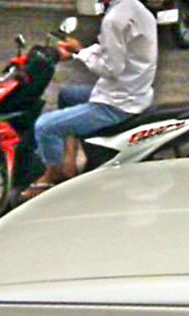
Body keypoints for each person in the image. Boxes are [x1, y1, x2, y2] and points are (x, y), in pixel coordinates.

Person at [20, 0, 158, 199]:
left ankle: (53, 176)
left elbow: (110, 68)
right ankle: (69, 164)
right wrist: (79, 51)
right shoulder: (136, 9)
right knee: (67, 95)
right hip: (134, 91)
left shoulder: (114, 19)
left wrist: (83, 53)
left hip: (116, 103)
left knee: (45, 127)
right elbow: (113, 50)